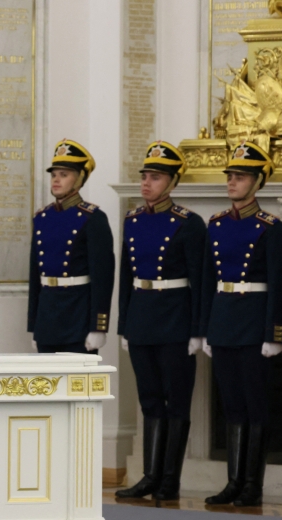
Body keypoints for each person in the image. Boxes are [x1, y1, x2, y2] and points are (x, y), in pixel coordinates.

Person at [115, 141, 206, 501]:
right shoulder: (133, 220)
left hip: (175, 320)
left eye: (154, 177)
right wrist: (124, 325)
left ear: (171, 182)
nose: (146, 183)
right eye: (144, 177)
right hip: (142, 318)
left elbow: (200, 282)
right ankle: (150, 475)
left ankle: (170, 479)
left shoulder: (189, 224)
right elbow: (126, 276)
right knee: (149, 399)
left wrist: (198, 330)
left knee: (176, 401)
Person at [200, 142, 282, 507]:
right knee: (232, 407)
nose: (232, 183)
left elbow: (280, 285)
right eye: (231, 176)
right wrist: (205, 328)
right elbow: (208, 281)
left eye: (240, 177)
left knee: (256, 406)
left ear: (258, 182)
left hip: (254, 324)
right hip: (224, 322)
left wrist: (275, 333)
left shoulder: (272, 228)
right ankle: (234, 481)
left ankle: (253, 484)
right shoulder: (216, 224)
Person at [27, 140, 114, 354]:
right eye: (54, 175)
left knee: (78, 386)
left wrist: (98, 326)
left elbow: (102, 278)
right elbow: (35, 276)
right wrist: (33, 326)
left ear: (79, 179)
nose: (56, 180)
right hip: (47, 318)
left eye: (64, 175)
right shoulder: (42, 218)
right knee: (48, 385)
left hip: (78, 318)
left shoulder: (93, 219)